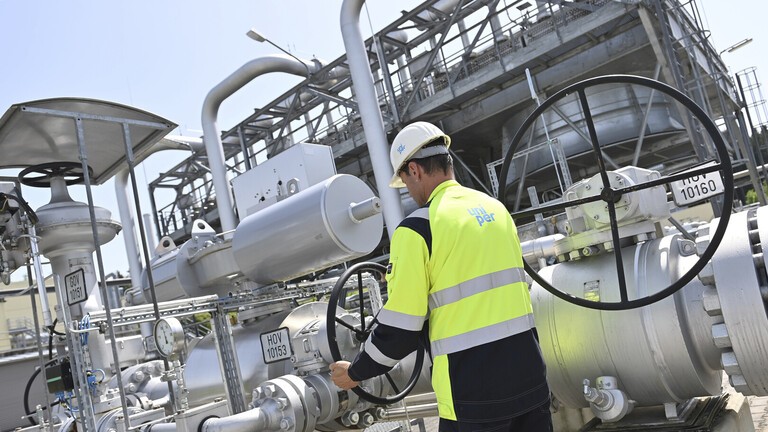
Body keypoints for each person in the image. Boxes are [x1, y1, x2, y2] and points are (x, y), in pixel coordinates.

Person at [330, 121, 552, 432]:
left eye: (405, 182)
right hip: (530, 380)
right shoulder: (496, 210)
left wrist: (356, 371)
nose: (409, 191)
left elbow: (402, 325)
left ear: (414, 170)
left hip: (473, 395)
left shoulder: (418, 229)